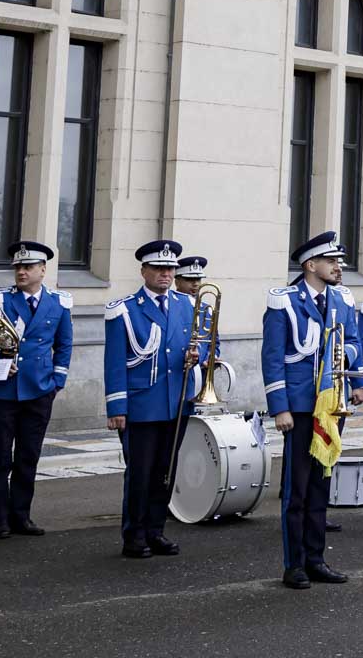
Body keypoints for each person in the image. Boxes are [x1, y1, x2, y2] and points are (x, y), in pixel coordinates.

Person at [262, 231, 363, 589]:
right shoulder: (285, 302)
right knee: (298, 490)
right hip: (300, 406)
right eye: (331, 261)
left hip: (330, 405)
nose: (338, 267)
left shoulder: (342, 299)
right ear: (310, 265)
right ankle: (294, 564)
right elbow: (273, 358)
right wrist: (280, 408)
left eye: (338, 261)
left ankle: (316, 558)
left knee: (321, 485)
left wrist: (356, 381)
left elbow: (354, 341)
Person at [0, 240, 72, 538]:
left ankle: (22, 516)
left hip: (39, 390)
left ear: (43, 270)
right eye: (18, 266)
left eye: (28, 266)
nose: (21, 271)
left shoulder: (59, 303)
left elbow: (64, 344)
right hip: (2, 391)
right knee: (0, 458)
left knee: (28, 456)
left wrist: (57, 382)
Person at [104, 238, 204, 559]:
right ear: (144, 270)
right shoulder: (125, 309)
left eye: (170, 269)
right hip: (142, 405)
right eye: (159, 268)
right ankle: (134, 534)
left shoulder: (186, 304)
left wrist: (197, 357)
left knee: (165, 470)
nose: (166, 274)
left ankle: (156, 530)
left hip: (177, 401)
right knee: (140, 473)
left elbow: (201, 343)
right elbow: (114, 362)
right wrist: (117, 407)